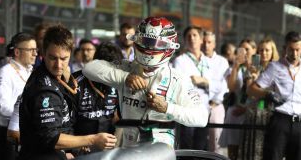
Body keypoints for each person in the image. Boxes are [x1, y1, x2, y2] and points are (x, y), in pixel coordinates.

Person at [83, 17, 209, 149]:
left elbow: (201, 118)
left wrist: (167, 108)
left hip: (161, 155)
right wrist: (125, 77)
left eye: (155, 44)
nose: (149, 47)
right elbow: (89, 68)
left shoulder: (178, 79)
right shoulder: (126, 68)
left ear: (169, 47)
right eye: (144, 41)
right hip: (128, 150)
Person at [18, 24, 116, 160]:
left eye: (63, 58)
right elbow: (52, 138)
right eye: (52, 58)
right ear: (43, 53)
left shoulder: (57, 78)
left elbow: (62, 124)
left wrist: (72, 149)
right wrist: (92, 139)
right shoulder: (44, 90)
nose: (58, 64)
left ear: (70, 54)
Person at [247, 31, 301, 160]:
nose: (295, 53)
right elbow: (251, 89)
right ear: (285, 48)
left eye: (298, 49)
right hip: (280, 120)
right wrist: (267, 94)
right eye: (291, 49)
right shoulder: (275, 67)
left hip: (300, 123)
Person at [0, 32, 37, 160]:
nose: (35, 54)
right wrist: (30, 114)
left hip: (28, 134)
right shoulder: (5, 73)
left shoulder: (31, 73)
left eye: (36, 49)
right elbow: (2, 107)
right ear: (17, 52)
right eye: (31, 50)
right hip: (9, 136)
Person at [239, 38, 279, 160]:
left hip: (270, 115)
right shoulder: (252, 68)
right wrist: (254, 78)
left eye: (267, 50)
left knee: (267, 154)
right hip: (253, 113)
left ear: (273, 51)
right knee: (251, 152)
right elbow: (249, 91)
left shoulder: (278, 69)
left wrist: (261, 90)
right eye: (261, 50)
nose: (264, 53)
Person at [172, 26, 212, 150]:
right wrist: (203, 82)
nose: (192, 38)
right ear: (184, 40)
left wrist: (203, 81)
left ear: (201, 40)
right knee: (187, 145)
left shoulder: (209, 61)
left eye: (195, 35)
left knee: (201, 145)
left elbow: (217, 84)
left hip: (205, 107)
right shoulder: (179, 61)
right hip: (187, 108)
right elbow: (181, 83)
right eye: (188, 36)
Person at [72, 42, 123, 140]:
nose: (111, 77)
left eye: (114, 72)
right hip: (80, 145)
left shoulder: (119, 82)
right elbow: (66, 123)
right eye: (107, 72)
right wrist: (77, 147)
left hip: (108, 146)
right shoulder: (76, 82)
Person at [219, 38, 257, 160]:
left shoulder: (258, 68)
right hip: (235, 112)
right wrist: (236, 66)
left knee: (250, 152)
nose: (245, 52)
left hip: (252, 112)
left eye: (247, 49)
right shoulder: (233, 69)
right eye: (242, 49)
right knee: (233, 153)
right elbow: (231, 87)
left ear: (254, 50)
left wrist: (247, 108)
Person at [202, 31, 229, 154]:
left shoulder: (222, 61)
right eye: (204, 42)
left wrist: (206, 83)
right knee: (197, 142)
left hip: (216, 106)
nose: (206, 45)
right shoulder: (196, 60)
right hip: (199, 106)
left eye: (209, 42)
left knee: (216, 144)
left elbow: (224, 86)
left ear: (214, 44)